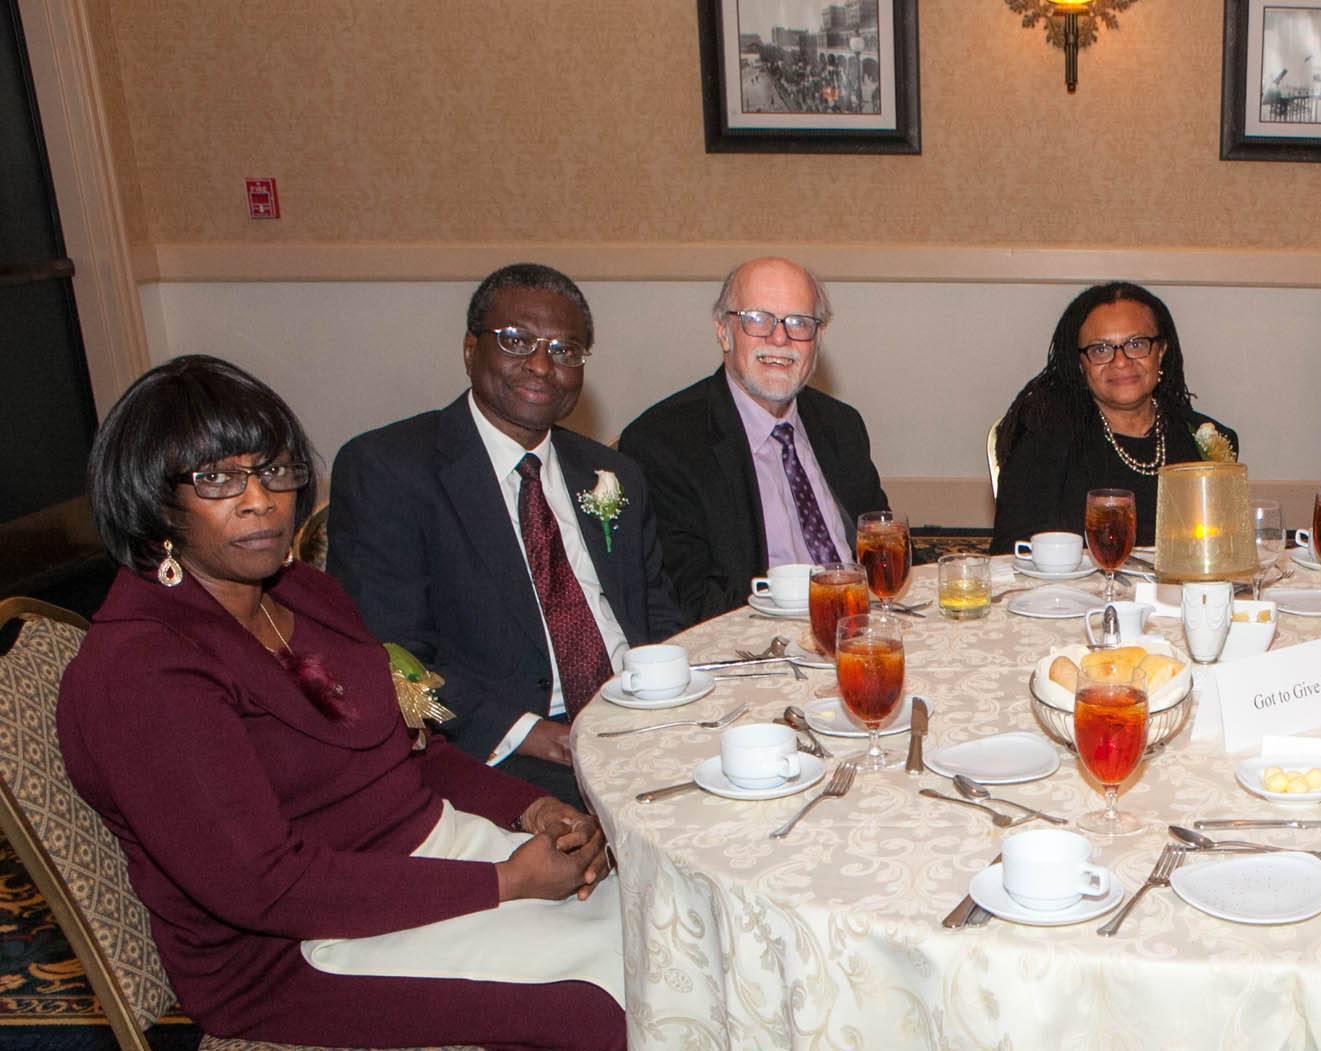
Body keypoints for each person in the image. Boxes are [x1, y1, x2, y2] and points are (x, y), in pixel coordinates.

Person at [58, 356, 625, 1049]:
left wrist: (530, 807)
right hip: (294, 950)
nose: (260, 500)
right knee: (596, 1010)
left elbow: (409, 755)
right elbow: (265, 885)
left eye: (273, 470)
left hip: (433, 858)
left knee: (658, 926)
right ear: (153, 499)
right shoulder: (144, 671)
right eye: (217, 479)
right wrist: (506, 880)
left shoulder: (301, 594)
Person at [330, 263, 686, 807]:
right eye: (517, 341)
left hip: (641, 722)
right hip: (507, 752)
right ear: (471, 349)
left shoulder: (611, 474)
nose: (542, 366)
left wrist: (682, 700)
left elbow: (657, 615)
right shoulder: (390, 470)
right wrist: (529, 733)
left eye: (566, 351)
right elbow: (390, 658)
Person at [618, 257, 890, 621]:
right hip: (760, 646)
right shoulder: (666, 443)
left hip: (864, 629)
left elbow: (882, 549)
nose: (780, 338)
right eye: (757, 319)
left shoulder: (841, 425)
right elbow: (696, 599)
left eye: (799, 323)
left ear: (818, 338)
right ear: (723, 331)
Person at [990, 281, 1238, 551]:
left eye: (1136, 344)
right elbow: (1011, 555)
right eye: (1100, 349)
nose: (1121, 361)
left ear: (1161, 351)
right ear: (1080, 364)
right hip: (1075, 593)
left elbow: (1227, 549)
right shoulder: (1044, 443)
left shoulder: (1204, 439)